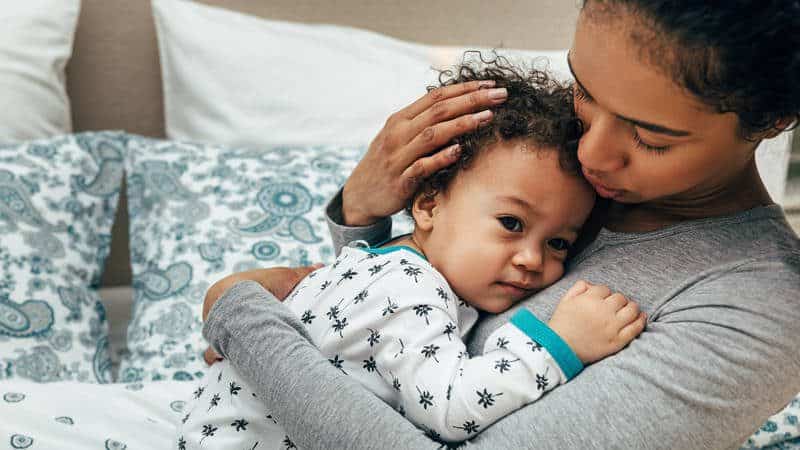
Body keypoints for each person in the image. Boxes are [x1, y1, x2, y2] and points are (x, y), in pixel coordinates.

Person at [201, 1, 800, 448]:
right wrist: (360, 217)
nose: (591, 153)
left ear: (775, 118)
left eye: (649, 137)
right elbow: (390, 331)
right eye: (584, 92)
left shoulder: (759, 311)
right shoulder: (556, 166)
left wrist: (242, 316)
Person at [178, 62, 646, 448]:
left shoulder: (372, 261)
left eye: (558, 243)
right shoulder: (411, 289)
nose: (531, 259)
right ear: (427, 204)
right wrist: (559, 342)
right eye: (511, 223)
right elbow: (449, 408)